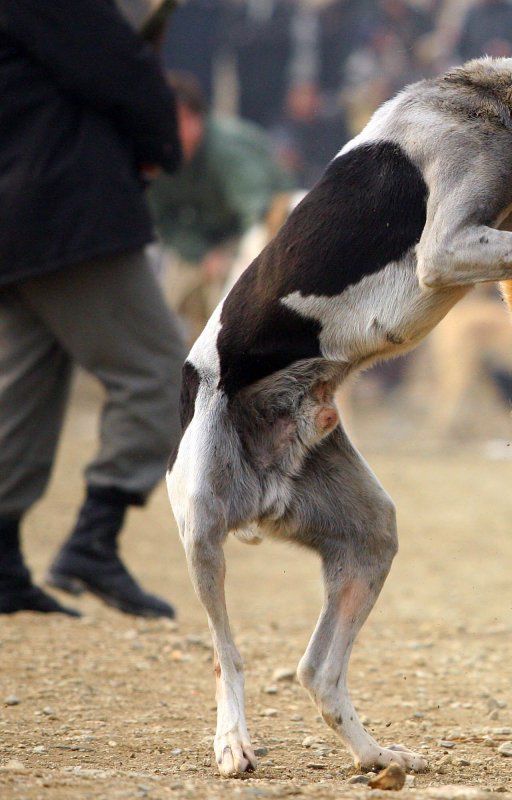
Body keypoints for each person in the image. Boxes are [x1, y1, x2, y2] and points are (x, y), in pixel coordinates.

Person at [0, 0, 184, 617]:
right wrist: (163, 139)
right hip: (62, 205)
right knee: (160, 370)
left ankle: (2, 565)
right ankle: (93, 540)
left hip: (18, 206)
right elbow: (115, 64)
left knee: (25, 384)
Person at [148, 72, 294, 339]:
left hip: (269, 234)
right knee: (175, 292)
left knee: (237, 296)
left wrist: (239, 264)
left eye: (173, 120)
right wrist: (202, 253)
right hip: (210, 241)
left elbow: (260, 215)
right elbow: (165, 223)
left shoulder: (226, 151)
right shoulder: (159, 156)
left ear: (194, 119)